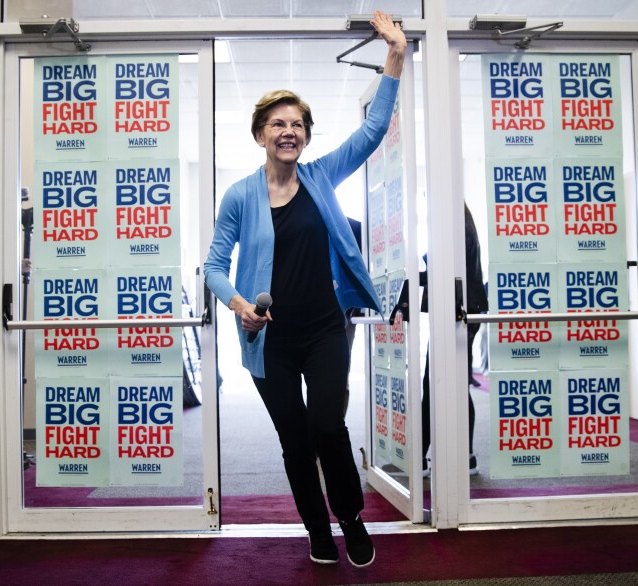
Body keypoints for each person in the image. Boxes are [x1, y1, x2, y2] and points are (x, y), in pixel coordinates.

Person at [203, 11, 406, 568]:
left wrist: (395, 57)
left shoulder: (319, 176)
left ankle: (350, 518)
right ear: (260, 135)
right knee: (295, 441)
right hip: (269, 340)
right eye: (277, 124)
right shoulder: (240, 197)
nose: (288, 131)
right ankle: (316, 529)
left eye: (297, 124)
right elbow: (214, 266)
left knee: (326, 426)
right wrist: (240, 305)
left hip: (323, 328)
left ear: (306, 135)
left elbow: (370, 134)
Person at [421, 204, 488, 476]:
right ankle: (464, 455)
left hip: (457, 313)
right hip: (462, 311)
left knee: (433, 386)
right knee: (454, 385)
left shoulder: (455, 228)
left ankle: (421, 457)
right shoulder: (462, 224)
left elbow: (447, 271)